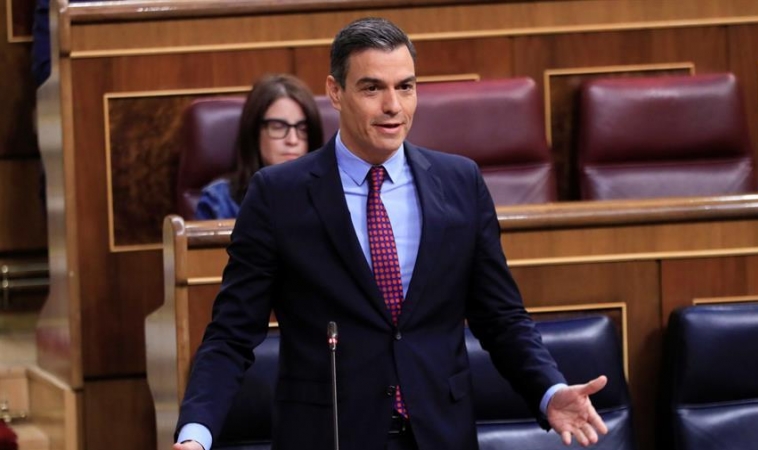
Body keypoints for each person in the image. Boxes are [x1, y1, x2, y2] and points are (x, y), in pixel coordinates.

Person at [175, 17, 608, 450]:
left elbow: (502, 318)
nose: (393, 106)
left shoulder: (460, 183)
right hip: (330, 436)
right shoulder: (277, 195)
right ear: (334, 92)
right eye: (371, 88)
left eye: (405, 86)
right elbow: (231, 334)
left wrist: (549, 391)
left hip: (440, 433)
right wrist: (196, 435)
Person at [194, 74, 324, 219]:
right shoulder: (219, 201)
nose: (293, 140)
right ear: (254, 131)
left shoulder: (331, 194)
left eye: (302, 129)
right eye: (278, 127)